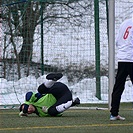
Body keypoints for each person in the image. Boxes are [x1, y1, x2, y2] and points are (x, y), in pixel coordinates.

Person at [110, 18, 133, 121]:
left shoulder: (125, 22)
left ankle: (114, 113)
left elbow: (117, 41)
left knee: (118, 86)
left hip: (122, 59)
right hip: (132, 58)